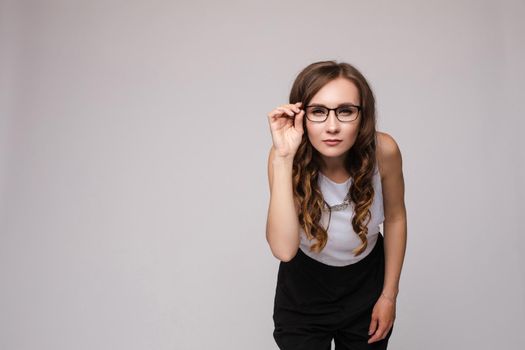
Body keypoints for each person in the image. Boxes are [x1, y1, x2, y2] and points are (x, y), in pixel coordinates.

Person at [265, 60, 407, 350]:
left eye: (345, 111)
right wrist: (282, 159)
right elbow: (283, 249)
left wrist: (388, 296)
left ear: (362, 116)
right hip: (305, 285)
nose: (332, 126)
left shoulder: (384, 151)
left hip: (366, 281)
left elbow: (395, 219)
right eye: (318, 111)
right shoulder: (283, 157)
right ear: (300, 115)